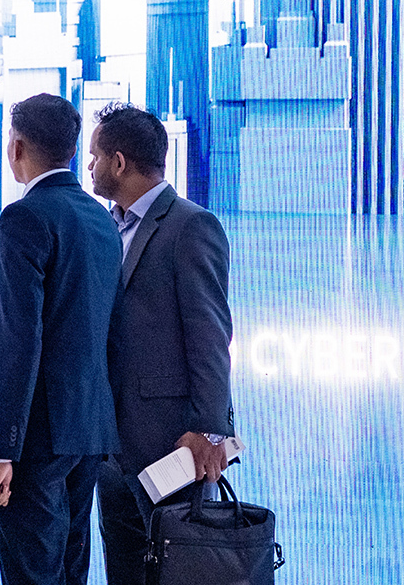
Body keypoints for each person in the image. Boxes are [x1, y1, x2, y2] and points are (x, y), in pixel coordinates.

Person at [85, 102, 235, 584]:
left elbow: (211, 336)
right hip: (111, 450)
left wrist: (210, 430)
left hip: (174, 447)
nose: (89, 166)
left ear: (119, 162)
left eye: (95, 157)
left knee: (179, 575)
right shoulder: (105, 225)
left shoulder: (191, 225)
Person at [0, 93, 122, 585]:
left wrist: (3, 451)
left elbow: (19, 341)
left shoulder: (23, 216)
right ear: (73, 149)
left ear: (16, 147)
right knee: (70, 570)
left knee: (32, 574)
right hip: (89, 428)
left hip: (35, 435)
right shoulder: (101, 217)